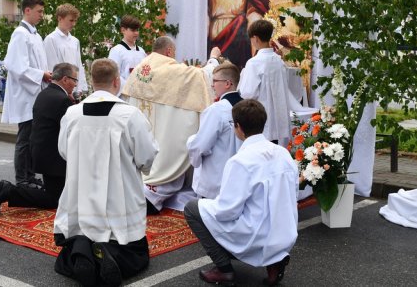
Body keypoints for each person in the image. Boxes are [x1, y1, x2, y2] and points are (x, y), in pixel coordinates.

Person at [53, 58, 158, 286]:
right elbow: (147, 156)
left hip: (81, 196)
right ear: (117, 81)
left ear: (92, 81)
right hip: (119, 199)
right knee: (134, 253)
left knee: (79, 236)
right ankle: (107, 256)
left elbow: (64, 151)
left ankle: (82, 250)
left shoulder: (72, 113)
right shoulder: (130, 115)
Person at [184, 99, 298, 286]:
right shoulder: (282, 153)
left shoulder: (240, 161)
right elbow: (293, 192)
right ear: (263, 123)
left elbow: (226, 211)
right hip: (284, 232)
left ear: (237, 127)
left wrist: (210, 204)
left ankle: (224, 270)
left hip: (255, 235)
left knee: (192, 208)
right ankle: (274, 260)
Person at [123, 36, 220, 213]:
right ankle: (152, 194)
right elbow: (202, 76)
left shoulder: (140, 68)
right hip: (162, 140)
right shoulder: (171, 71)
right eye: (174, 52)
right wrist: (213, 59)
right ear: (169, 51)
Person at [0, 63, 76, 213]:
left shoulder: (45, 93)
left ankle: (12, 191)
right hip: (54, 159)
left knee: (59, 194)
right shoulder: (62, 99)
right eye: (74, 80)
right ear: (65, 79)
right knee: (55, 199)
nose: (75, 84)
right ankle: (10, 191)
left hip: (42, 153)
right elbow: (72, 128)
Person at [1, 0, 52, 189]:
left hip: (35, 92)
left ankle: (30, 175)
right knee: (25, 138)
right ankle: (22, 178)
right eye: (39, 11)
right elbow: (16, 66)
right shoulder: (20, 34)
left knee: (32, 138)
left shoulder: (36, 35)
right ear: (27, 10)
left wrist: (44, 74)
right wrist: (42, 75)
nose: (42, 15)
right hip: (24, 94)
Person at [239, 19, 303, 146]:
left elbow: (247, 93)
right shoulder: (279, 61)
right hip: (278, 117)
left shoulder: (254, 63)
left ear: (255, 38)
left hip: (260, 117)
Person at [186, 62, 243, 199]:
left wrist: (191, 141)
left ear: (228, 83)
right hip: (239, 179)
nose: (212, 85)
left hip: (216, 180)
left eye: (215, 81)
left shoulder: (216, 110)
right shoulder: (247, 106)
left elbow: (200, 146)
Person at [44, 3, 88, 97]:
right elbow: (53, 68)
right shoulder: (51, 39)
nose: (73, 24)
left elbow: (78, 65)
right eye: (71, 20)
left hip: (74, 90)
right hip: (60, 91)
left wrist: (79, 89)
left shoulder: (75, 41)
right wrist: (66, 91)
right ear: (60, 18)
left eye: (75, 21)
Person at [108, 15, 147, 93]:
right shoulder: (116, 51)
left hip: (140, 93)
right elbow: (113, 74)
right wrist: (130, 87)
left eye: (137, 30)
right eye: (133, 30)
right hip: (124, 94)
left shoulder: (141, 51)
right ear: (123, 30)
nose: (136, 33)